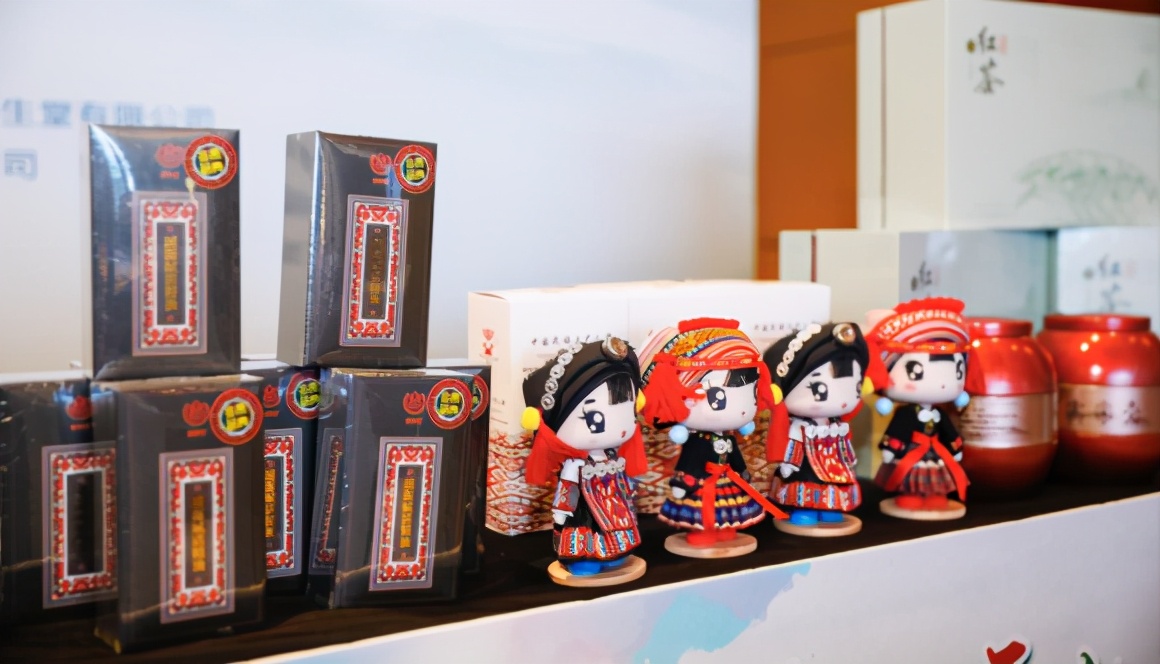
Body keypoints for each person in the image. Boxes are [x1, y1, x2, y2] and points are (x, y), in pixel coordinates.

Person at [637, 318, 785, 554]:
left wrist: (742, 472)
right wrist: (682, 481)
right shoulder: (697, 439)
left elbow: (734, 455)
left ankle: (724, 530)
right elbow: (689, 461)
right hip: (700, 483)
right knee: (701, 511)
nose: (742, 410)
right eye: (719, 398)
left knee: (726, 511)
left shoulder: (728, 436)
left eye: (751, 395)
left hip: (726, 480)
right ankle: (703, 532)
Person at [521, 336, 648, 580]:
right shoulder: (575, 463)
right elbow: (568, 488)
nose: (619, 427)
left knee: (614, 529)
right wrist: (561, 512)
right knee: (584, 530)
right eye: (595, 418)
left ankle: (614, 553)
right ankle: (584, 558)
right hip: (583, 509)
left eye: (627, 413)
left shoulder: (611, 455)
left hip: (613, 505)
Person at [764, 322, 886, 534]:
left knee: (833, 487)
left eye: (855, 388)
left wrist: (849, 459)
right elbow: (793, 445)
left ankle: (828, 509)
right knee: (805, 482)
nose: (841, 400)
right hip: (805, 467)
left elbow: (844, 445)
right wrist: (788, 464)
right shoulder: (800, 426)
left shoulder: (837, 425)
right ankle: (804, 510)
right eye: (819, 388)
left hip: (833, 465)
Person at [864, 297, 979, 519]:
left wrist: (955, 448)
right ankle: (911, 496)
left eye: (957, 371)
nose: (942, 383)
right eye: (916, 371)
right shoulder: (906, 413)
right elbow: (897, 431)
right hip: (912, 452)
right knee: (910, 477)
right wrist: (891, 449)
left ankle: (934, 496)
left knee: (935, 479)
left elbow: (949, 432)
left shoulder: (940, 414)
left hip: (935, 452)